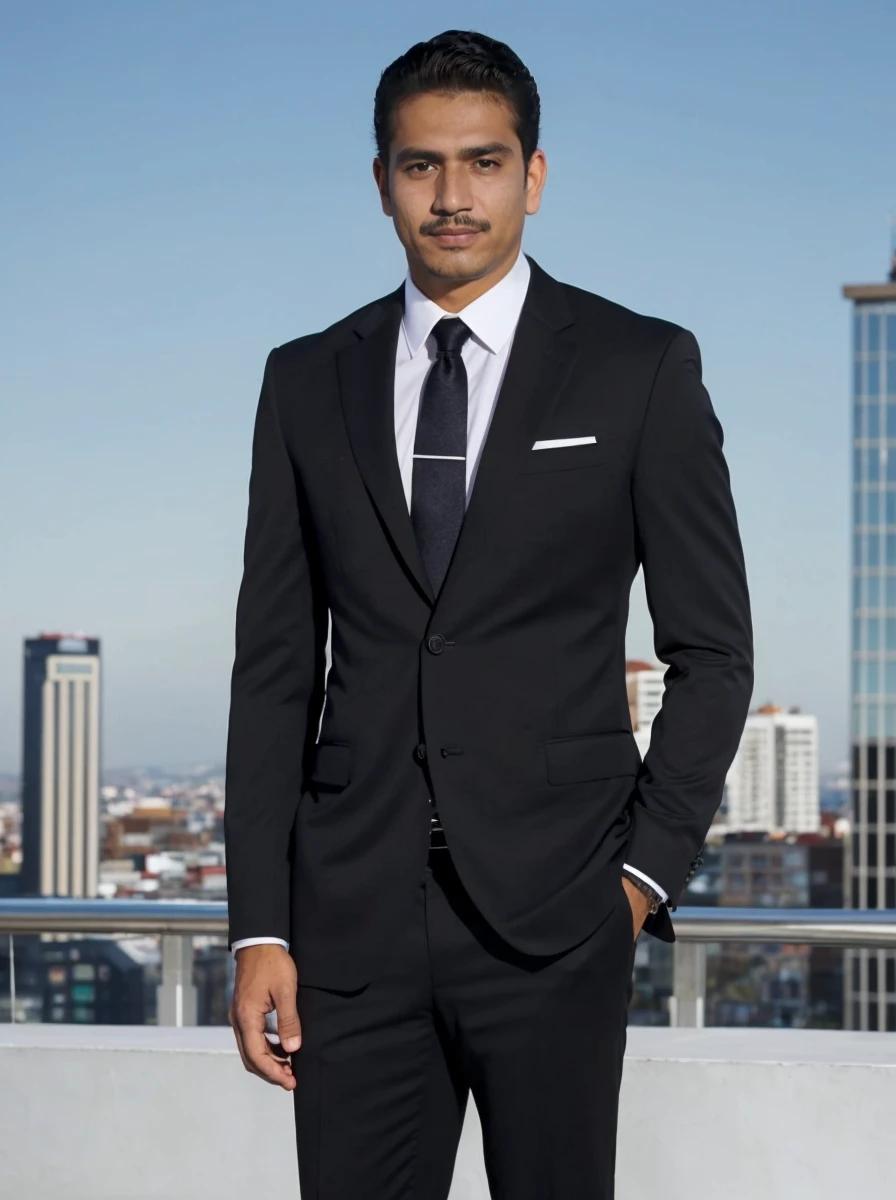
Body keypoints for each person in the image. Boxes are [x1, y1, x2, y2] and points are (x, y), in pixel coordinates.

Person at [224, 28, 754, 1199]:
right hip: (348, 927)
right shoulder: (304, 380)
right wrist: (259, 925)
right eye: (420, 165)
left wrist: (638, 883)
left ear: (534, 174)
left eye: (482, 161)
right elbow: (272, 670)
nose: (451, 196)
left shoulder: (637, 368)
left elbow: (712, 652)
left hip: (560, 917)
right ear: (379, 182)